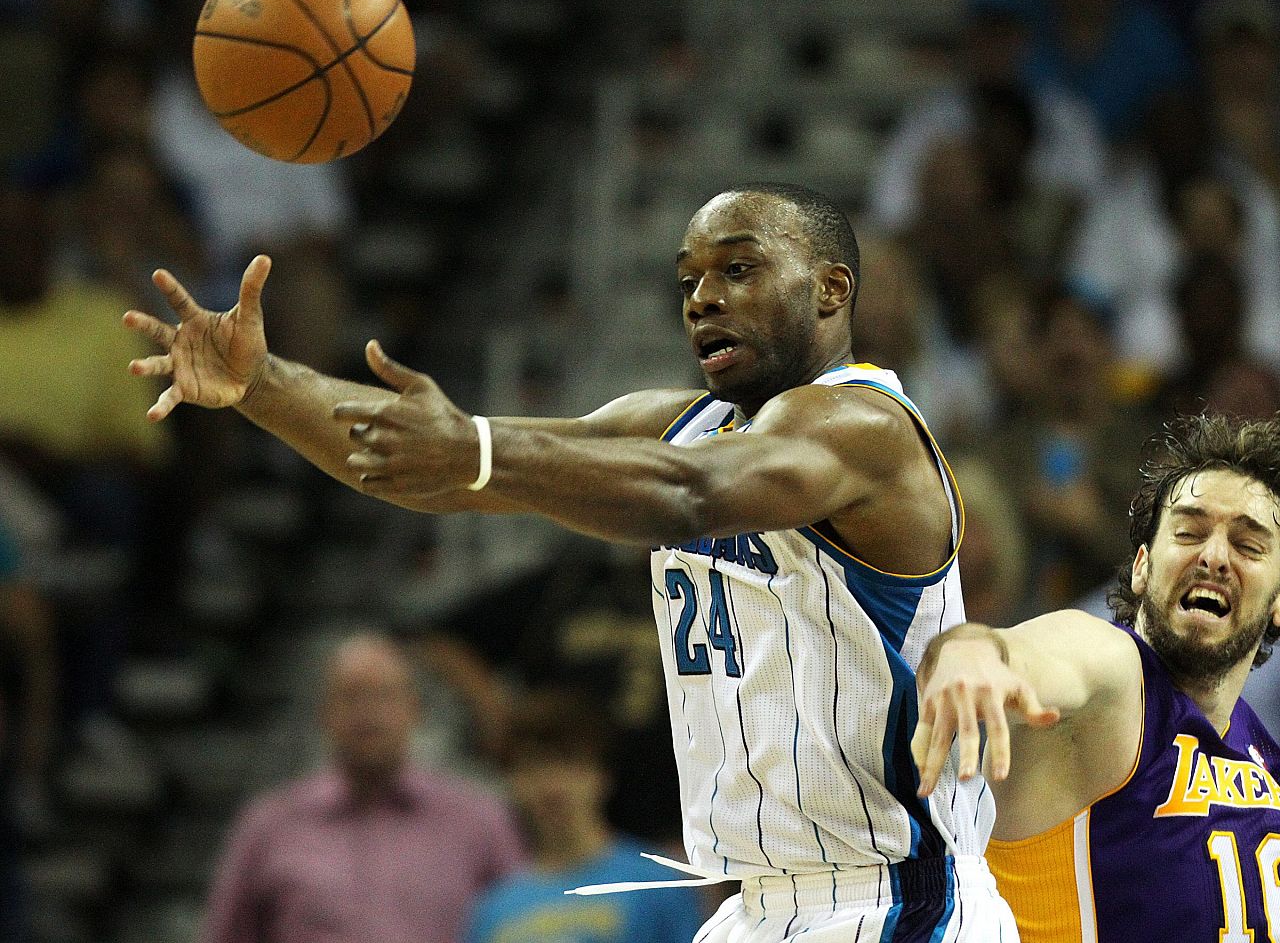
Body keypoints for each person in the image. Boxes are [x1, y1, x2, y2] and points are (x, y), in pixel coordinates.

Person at [128, 183, 1017, 943]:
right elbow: (430, 469)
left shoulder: (865, 427)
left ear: (831, 290)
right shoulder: (676, 424)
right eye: (688, 281)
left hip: (895, 895)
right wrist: (262, 384)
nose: (703, 297)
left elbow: (690, 494)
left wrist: (474, 450)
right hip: (754, 903)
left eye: (737, 269)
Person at [911, 409, 1280, 942]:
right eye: (1189, 532)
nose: (1215, 556)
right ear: (1141, 567)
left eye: (1248, 545)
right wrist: (972, 650)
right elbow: (1043, 655)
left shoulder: (1264, 760)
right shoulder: (1117, 677)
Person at [201, 634, 523, 943]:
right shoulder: (269, 826)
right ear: (324, 713)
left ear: (415, 710)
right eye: (352, 696)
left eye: (384, 695)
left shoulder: (478, 821)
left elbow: (526, 925)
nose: (368, 711)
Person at [464, 690, 703, 943]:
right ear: (512, 782)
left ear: (602, 774)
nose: (552, 785)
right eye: (533, 766)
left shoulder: (658, 883)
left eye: (568, 762)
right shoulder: (493, 911)